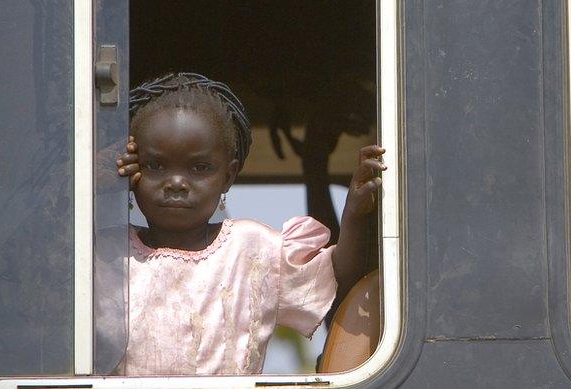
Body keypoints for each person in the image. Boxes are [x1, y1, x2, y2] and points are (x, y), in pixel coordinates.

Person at [115, 73, 384, 375]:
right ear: (130, 172)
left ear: (228, 177)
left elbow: (336, 280)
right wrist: (97, 183)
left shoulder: (252, 250)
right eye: (155, 166)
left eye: (199, 168)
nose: (176, 182)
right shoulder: (106, 255)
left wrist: (354, 215)